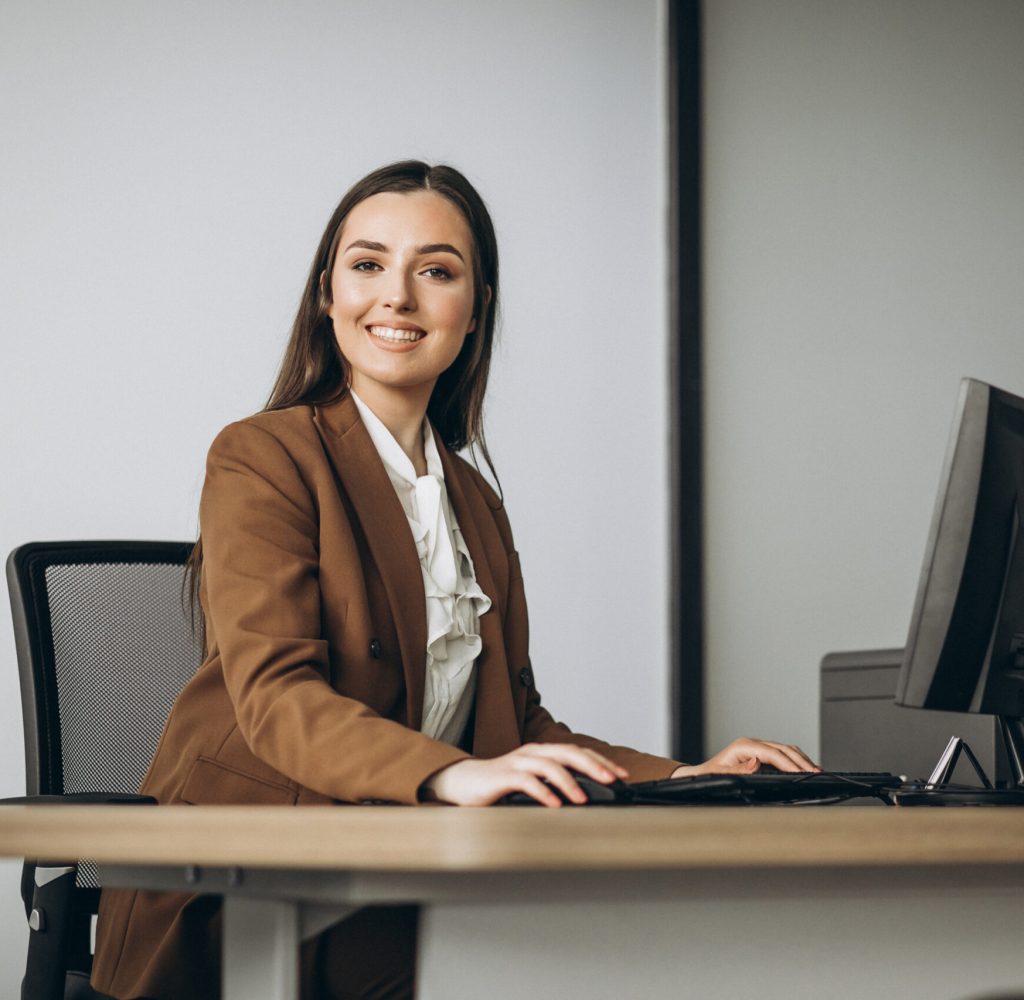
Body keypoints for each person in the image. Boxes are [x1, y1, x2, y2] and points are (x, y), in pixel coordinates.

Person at [90, 161, 817, 1000]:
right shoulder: (265, 455)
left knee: (644, 943)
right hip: (255, 888)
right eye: (366, 265)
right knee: (554, 969)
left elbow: (519, 728)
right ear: (327, 296)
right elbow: (278, 698)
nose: (396, 296)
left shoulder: (474, 501)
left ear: (475, 312)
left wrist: (686, 778)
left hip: (403, 872)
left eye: (435, 271)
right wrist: (446, 773)